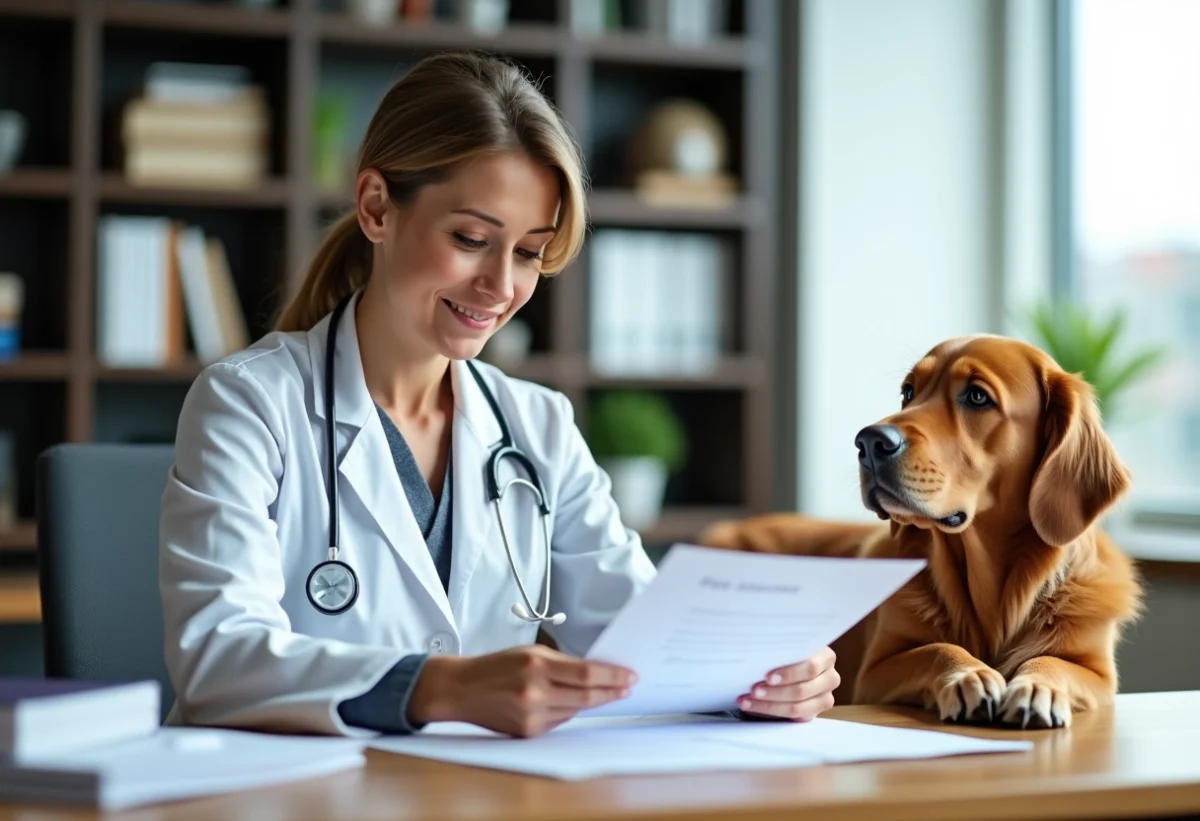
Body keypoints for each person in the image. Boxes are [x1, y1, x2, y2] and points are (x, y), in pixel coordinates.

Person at [158, 51, 839, 739]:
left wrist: (760, 674)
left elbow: (642, 636)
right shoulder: (249, 403)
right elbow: (218, 656)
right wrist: (442, 686)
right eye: (472, 239)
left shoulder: (535, 425)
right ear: (376, 208)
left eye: (528, 253)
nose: (500, 286)